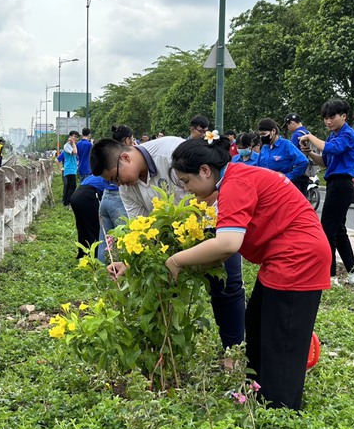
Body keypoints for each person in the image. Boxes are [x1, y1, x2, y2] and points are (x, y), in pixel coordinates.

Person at [166, 136, 331, 409]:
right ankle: (257, 395)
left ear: (205, 171)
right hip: (281, 258)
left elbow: (228, 244)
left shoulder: (236, 183)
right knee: (256, 327)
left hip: (297, 259)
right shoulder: (236, 178)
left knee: (281, 341)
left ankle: (280, 414)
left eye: (186, 181)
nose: (188, 190)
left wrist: (176, 260)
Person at [90, 133, 246, 348]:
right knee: (166, 287)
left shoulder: (171, 152)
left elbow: (213, 187)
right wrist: (129, 263)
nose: (119, 184)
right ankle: (167, 350)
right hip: (171, 236)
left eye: (116, 177)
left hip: (211, 223)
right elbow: (143, 230)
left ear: (125, 158)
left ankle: (234, 350)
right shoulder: (127, 189)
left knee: (225, 286)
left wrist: (196, 229)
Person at [300, 99, 354, 285]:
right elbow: (325, 161)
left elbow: (332, 149)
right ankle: (353, 272)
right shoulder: (332, 136)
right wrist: (309, 152)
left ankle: (330, 275)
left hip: (342, 184)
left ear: (344, 116)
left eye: (332, 117)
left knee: (327, 229)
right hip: (335, 183)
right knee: (338, 229)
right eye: (325, 118)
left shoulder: (348, 134)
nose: (328, 121)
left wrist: (310, 136)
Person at [97, 125, 133, 262]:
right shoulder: (125, 156)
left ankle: (100, 275)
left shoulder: (108, 153)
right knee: (123, 241)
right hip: (119, 200)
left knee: (104, 241)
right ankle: (119, 274)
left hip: (105, 198)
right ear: (127, 139)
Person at [256, 118, 309, 196]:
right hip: (267, 188)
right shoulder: (264, 148)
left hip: (283, 189)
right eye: (260, 135)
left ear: (273, 131)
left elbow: (303, 162)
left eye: (264, 134)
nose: (262, 137)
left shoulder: (286, 145)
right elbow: (259, 167)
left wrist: (288, 177)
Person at [70, 175, 112, 259]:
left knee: (82, 227)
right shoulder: (110, 177)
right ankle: (96, 257)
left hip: (75, 195)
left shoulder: (96, 175)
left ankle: (83, 255)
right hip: (87, 195)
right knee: (95, 229)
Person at [284, 113, 315, 192]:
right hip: (307, 171)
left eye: (287, 125)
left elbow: (291, 154)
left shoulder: (296, 135)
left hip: (298, 171)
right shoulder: (307, 133)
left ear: (292, 123)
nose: (288, 128)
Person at [59, 131, 79, 206]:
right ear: (70, 137)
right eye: (74, 136)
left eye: (77, 137)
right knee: (72, 186)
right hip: (69, 168)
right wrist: (73, 143)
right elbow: (75, 152)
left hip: (72, 168)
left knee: (69, 186)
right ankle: (68, 202)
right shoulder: (67, 146)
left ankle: (66, 202)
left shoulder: (71, 145)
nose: (76, 138)